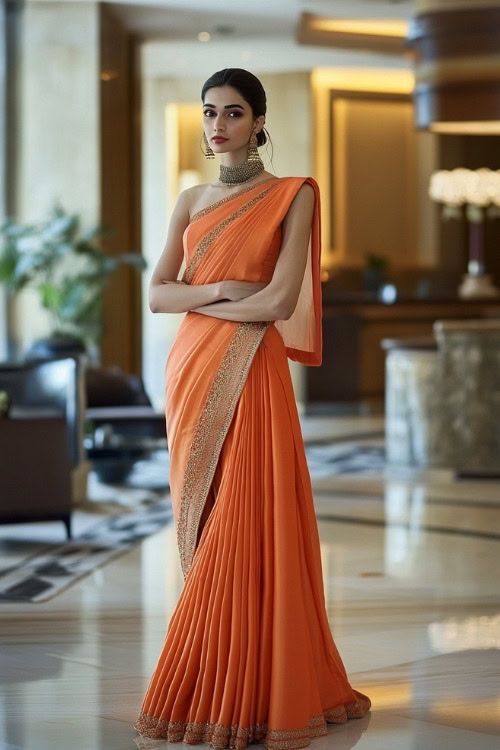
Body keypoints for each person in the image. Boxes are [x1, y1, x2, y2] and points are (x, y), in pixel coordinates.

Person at [134, 68, 370, 749]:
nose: (218, 125)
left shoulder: (293, 195)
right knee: (204, 524)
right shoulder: (190, 198)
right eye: (210, 112)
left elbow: (278, 301)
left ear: (259, 121)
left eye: (233, 113)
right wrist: (224, 289)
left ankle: (253, 683)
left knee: (249, 515)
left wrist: (208, 292)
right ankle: (216, 670)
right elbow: (157, 295)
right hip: (190, 369)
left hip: (251, 371)